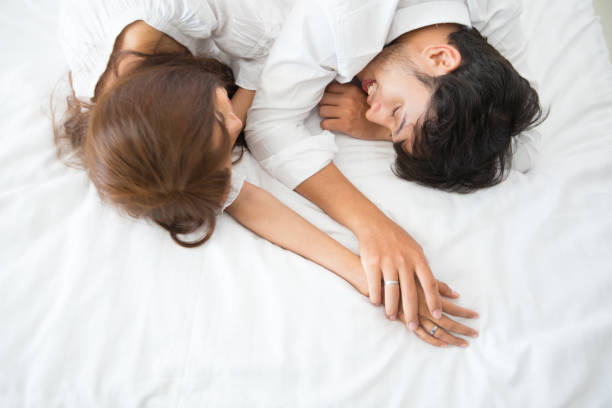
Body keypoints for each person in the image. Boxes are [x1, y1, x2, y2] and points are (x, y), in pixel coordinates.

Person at [54, 0, 478, 347]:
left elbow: (271, 50)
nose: (238, 124)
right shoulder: (133, 139)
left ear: (182, 90)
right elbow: (240, 196)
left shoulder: (181, 13)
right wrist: (362, 273)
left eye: (224, 122)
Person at [245, 0, 543, 334]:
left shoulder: (492, 15)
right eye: (396, 112)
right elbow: (267, 124)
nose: (372, 113)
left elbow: (523, 143)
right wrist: (375, 228)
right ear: (440, 58)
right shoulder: (343, 15)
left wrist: (381, 130)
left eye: (392, 124)